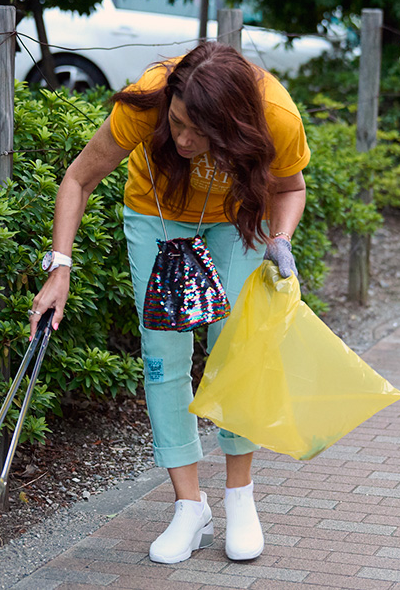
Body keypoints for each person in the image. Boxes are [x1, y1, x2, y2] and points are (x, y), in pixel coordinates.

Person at [27, 41, 309, 564]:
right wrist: (58, 267)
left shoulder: (275, 117)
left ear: (232, 124)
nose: (181, 138)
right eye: (177, 122)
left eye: (198, 132)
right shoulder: (148, 100)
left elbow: (290, 188)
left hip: (237, 221)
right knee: (163, 357)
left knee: (236, 353)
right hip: (157, 217)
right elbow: (79, 178)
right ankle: (188, 506)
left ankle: (239, 498)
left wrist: (281, 239)